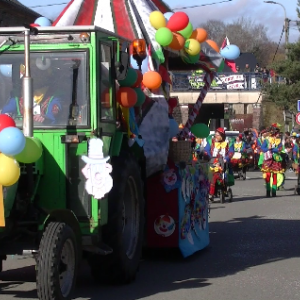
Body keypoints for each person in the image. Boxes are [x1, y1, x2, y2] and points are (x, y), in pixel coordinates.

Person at [1, 57, 63, 125]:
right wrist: (7, 115)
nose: (34, 76)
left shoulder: (53, 95)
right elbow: (7, 111)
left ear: (46, 76)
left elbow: (53, 113)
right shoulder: (17, 95)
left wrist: (44, 117)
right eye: (32, 72)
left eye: (39, 73)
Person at [203, 127, 234, 202]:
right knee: (211, 176)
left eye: (217, 135)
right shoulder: (211, 141)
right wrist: (211, 158)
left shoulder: (228, 142)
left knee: (223, 175)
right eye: (215, 135)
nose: (215, 137)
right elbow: (206, 150)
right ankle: (211, 193)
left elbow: (231, 152)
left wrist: (226, 158)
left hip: (223, 163)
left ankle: (223, 188)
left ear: (222, 136)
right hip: (212, 162)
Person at [261, 124, 284, 197]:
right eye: (277, 133)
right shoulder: (267, 140)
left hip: (276, 160)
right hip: (268, 160)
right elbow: (262, 148)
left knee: (275, 176)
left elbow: (280, 149)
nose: (278, 134)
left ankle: (274, 192)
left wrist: (273, 149)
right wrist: (268, 148)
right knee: (267, 176)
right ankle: (268, 191)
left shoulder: (279, 141)